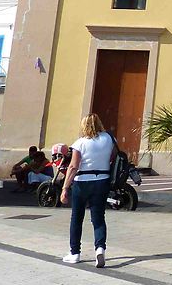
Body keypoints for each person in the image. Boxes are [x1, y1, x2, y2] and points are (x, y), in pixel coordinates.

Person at [60, 113, 115, 268]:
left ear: (84, 125)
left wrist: (65, 188)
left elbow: (73, 166)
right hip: (102, 180)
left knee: (77, 218)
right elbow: (112, 157)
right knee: (98, 218)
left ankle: (75, 252)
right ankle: (100, 249)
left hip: (82, 182)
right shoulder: (109, 139)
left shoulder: (80, 143)